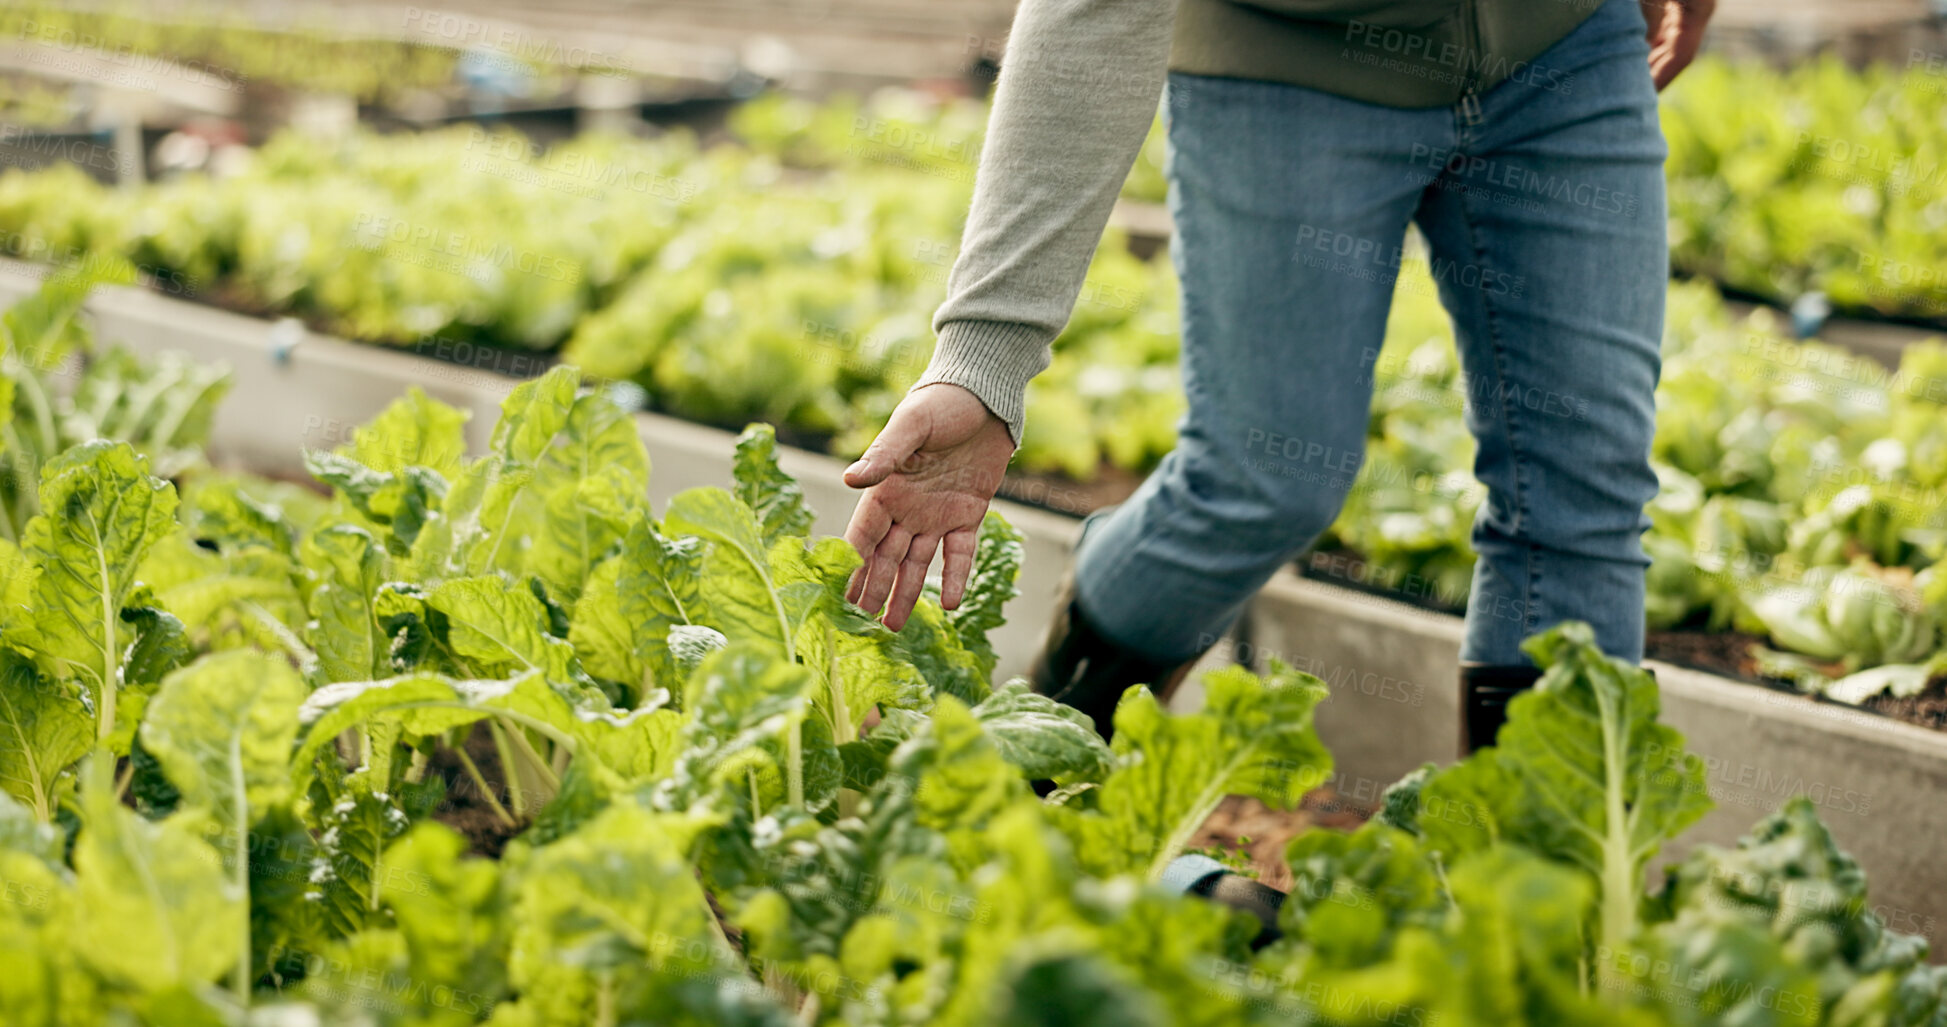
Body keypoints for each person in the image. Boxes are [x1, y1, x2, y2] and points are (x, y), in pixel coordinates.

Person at [841, 0, 1714, 755]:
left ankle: (1541, 919)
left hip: (1562, 49)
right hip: (1284, 64)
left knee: (1583, 492)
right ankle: (1036, 759)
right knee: (1263, 483)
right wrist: (987, 355)